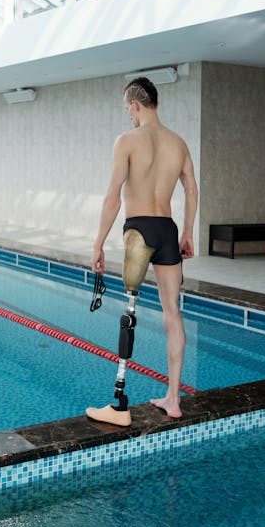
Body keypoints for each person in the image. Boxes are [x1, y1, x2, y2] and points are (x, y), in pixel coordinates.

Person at [86, 76, 198, 427]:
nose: (129, 116)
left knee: (129, 310)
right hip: (167, 229)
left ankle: (119, 403)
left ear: (135, 105)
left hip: (139, 229)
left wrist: (98, 242)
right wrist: (189, 232)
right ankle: (173, 398)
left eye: (127, 110)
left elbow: (112, 198)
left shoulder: (127, 141)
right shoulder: (178, 143)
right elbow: (192, 190)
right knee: (172, 314)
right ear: (156, 104)